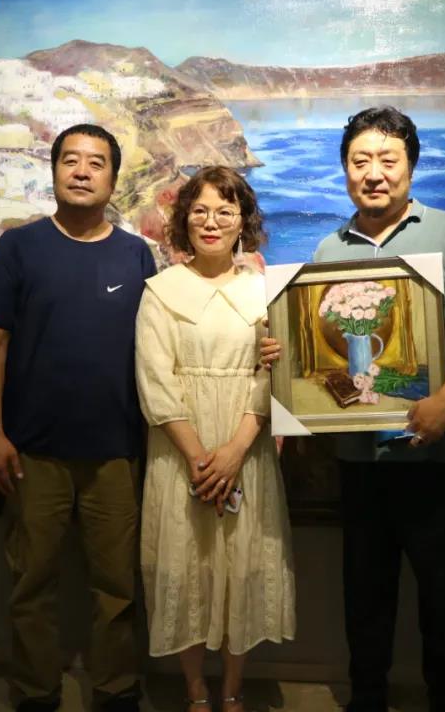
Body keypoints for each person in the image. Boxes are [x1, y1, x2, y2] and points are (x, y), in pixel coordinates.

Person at [262, 107, 445, 712]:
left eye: (388, 160)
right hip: (361, 456)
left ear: (410, 166)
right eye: (360, 160)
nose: (374, 173)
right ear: (345, 169)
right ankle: (367, 696)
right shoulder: (327, 247)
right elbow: (316, 348)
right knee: (365, 592)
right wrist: (280, 352)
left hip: (439, 452)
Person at [0, 124, 155, 712]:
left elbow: (160, 347)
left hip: (115, 451)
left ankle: (116, 689)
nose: (81, 171)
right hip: (32, 450)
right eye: (70, 160)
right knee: (30, 583)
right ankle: (34, 691)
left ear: (113, 178)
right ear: (53, 171)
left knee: (118, 585)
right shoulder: (18, 248)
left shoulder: (135, 253)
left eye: (96, 162)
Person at [135, 166, 295, 712]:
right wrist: (201, 458)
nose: (211, 222)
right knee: (186, 565)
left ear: (242, 222)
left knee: (242, 565)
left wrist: (234, 452)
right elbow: (155, 380)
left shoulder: (264, 291)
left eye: (225, 212)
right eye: (200, 211)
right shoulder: (160, 292)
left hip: (245, 446)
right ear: (184, 219)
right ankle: (195, 689)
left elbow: (272, 376)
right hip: (181, 450)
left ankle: (231, 688)